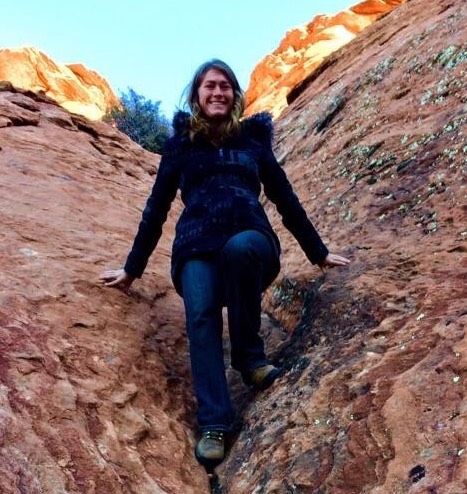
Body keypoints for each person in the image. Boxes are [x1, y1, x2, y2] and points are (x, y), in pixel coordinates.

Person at [100, 59, 350, 469]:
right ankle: (214, 423)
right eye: (209, 86)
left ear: (235, 94)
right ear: (196, 95)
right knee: (200, 313)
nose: (217, 93)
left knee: (241, 249)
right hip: (195, 247)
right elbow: (156, 207)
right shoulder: (180, 145)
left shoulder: (253, 140)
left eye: (225, 86)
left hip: (251, 241)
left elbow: (285, 198)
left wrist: (317, 252)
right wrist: (132, 268)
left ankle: (250, 359)